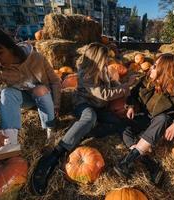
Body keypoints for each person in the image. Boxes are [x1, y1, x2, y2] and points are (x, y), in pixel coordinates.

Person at [30, 42, 137, 195]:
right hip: (84, 105)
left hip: (100, 107)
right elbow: (105, 94)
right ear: (97, 59)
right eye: (105, 59)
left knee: (117, 123)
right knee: (89, 117)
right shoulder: (85, 74)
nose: (108, 62)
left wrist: (124, 86)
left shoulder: (105, 70)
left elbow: (114, 85)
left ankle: (85, 133)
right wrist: (127, 86)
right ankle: (55, 154)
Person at [0, 25, 61, 164]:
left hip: (45, 97)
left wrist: (56, 104)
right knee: (7, 92)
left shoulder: (36, 58)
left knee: (40, 89)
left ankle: (50, 128)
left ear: (9, 46)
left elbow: (55, 81)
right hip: (27, 101)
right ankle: (10, 142)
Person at [113, 53, 174, 185]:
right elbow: (133, 95)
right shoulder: (146, 81)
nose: (151, 68)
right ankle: (150, 164)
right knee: (123, 126)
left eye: (155, 66)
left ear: (166, 71)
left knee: (163, 118)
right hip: (144, 120)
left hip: (159, 128)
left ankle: (127, 161)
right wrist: (131, 106)